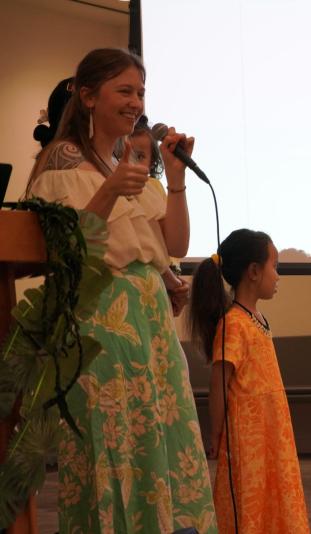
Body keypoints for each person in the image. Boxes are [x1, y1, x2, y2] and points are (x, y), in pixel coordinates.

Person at [25, 48, 216, 533]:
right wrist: (109, 190)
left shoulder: (125, 162)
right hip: (101, 319)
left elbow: (175, 244)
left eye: (141, 93)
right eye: (125, 91)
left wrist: (175, 179)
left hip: (150, 326)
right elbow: (68, 249)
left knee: (159, 442)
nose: (136, 102)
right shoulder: (63, 158)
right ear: (89, 96)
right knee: (113, 444)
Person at [188, 229, 310, 534]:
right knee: (249, 500)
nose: (278, 276)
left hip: (272, 431)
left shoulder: (258, 319)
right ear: (254, 271)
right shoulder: (233, 323)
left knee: (275, 494)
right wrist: (216, 433)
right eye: (274, 266)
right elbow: (219, 383)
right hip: (247, 438)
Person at [130, 114, 189, 316]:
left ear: (152, 162)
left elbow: (173, 244)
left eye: (139, 157)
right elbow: (146, 243)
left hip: (160, 283)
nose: (131, 163)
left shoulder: (152, 187)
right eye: (122, 154)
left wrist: (175, 284)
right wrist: (173, 283)